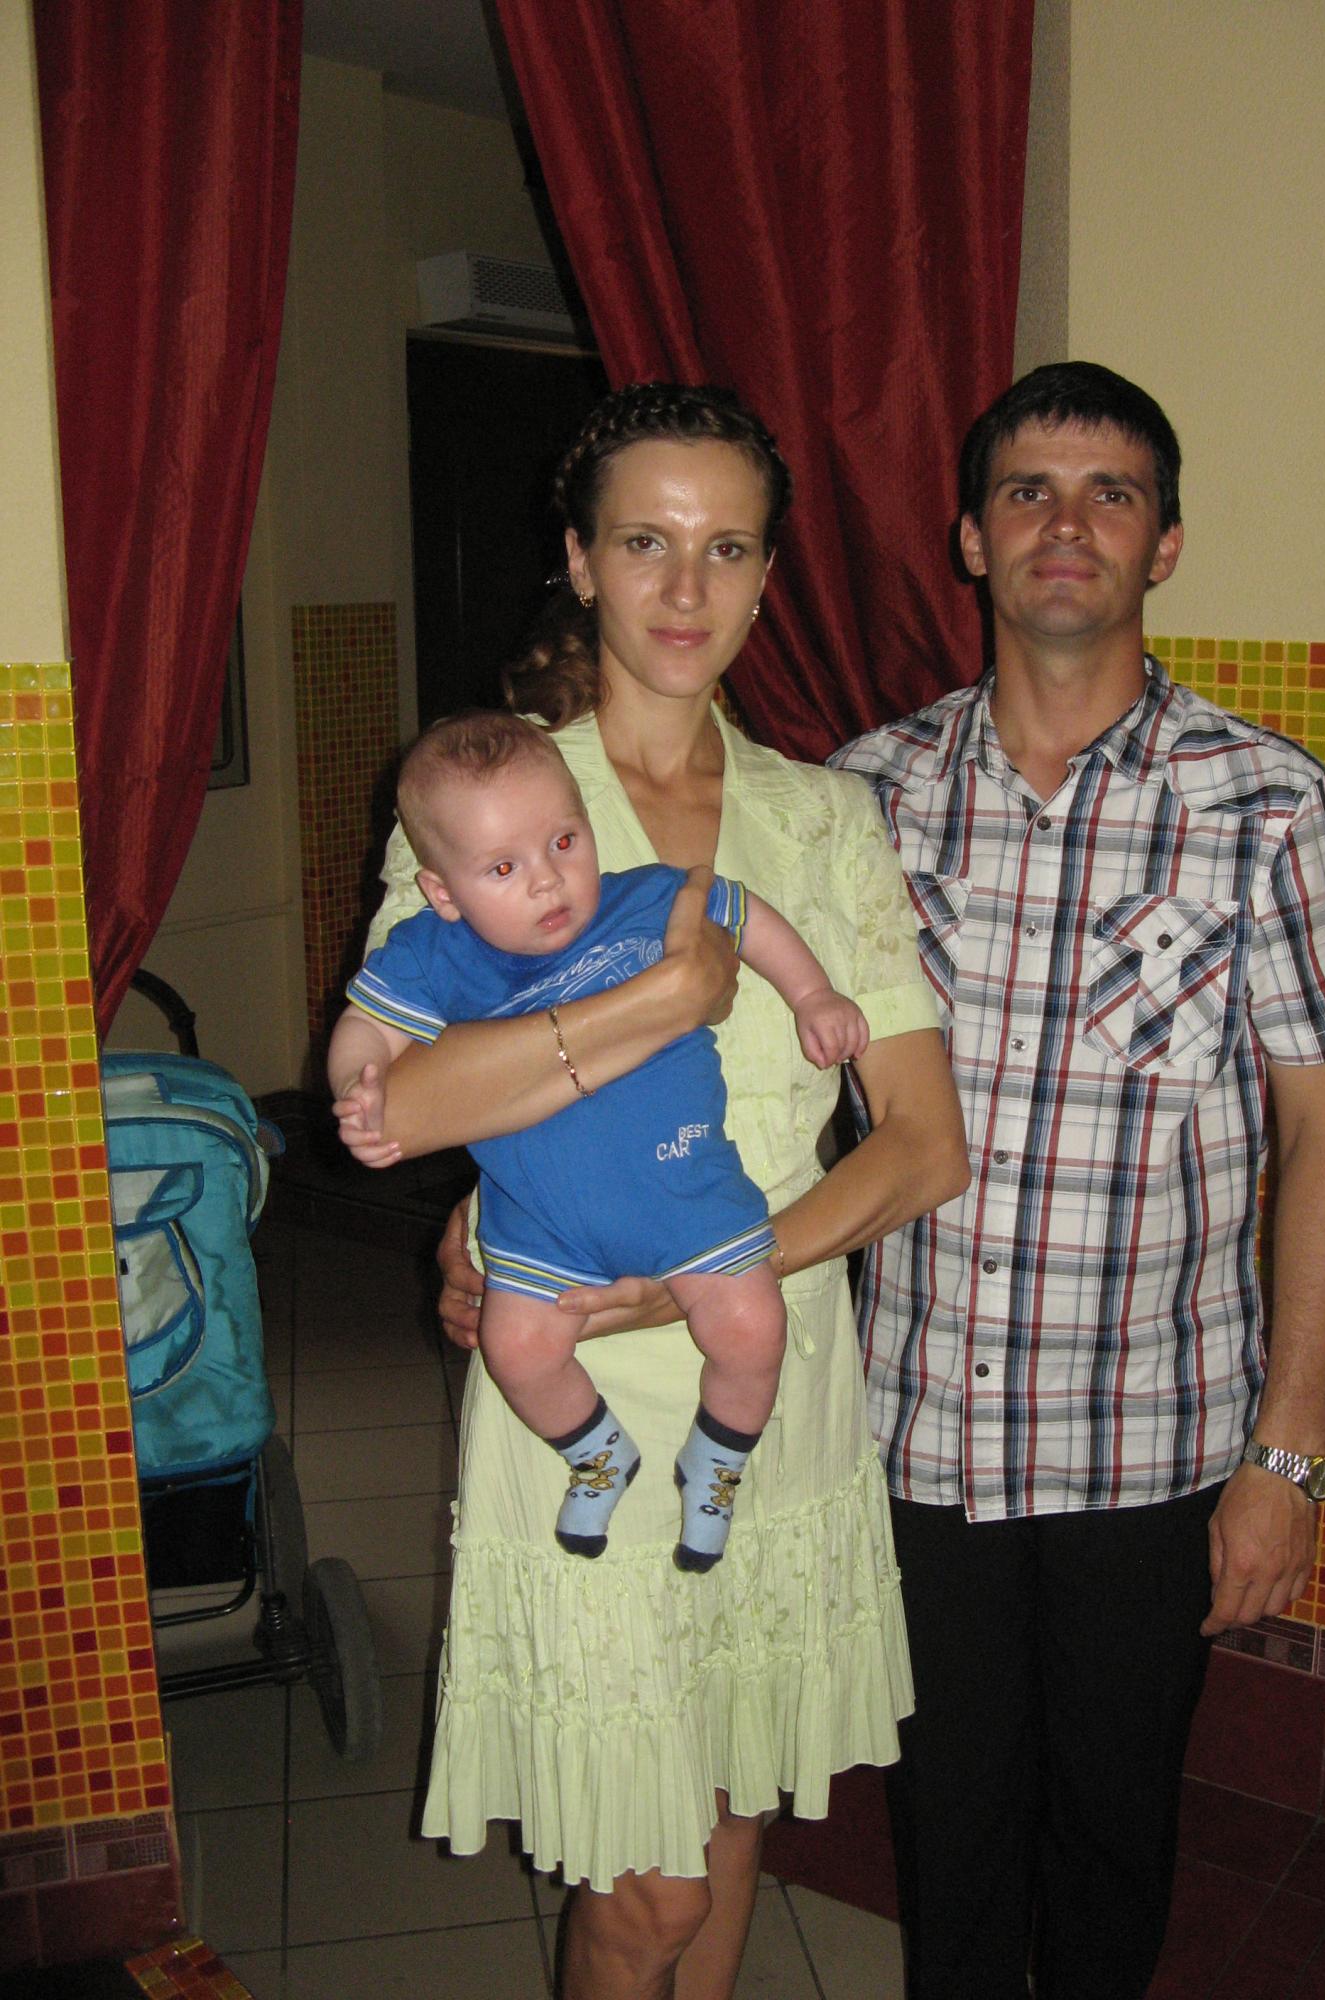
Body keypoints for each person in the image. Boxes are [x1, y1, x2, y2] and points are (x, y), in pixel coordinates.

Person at [349, 382, 970, 2000]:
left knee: (732, 1812)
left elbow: (921, 1141)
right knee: (648, 1893)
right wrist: (654, 1003)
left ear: (767, 578)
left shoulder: (824, 820)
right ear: (579, 560)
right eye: (645, 542)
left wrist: (716, 1262)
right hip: (579, 1388)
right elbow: (394, 1103)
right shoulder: (489, 798)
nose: (687, 589)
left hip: (771, 1367)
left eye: (727, 549)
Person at [829, 361, 1325, 2000]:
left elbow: (1323, 1138)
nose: (1066, 525)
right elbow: (752, 1101)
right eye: (1029, 492)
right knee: (947, 1836)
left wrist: (1289, 1457)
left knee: (1115, 1840)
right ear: (971, 539)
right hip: (913, 1435)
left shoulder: (1264, 803)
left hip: (1152, 1450)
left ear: (1166, 544)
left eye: (1110, 495)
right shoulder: (863, 797)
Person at [329, 709, 868, 1572]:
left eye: (564, 842)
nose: (548, 880)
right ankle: (597, 1453)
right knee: (515, 1348)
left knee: (752, 1327)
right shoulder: (432, 956)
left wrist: (812, 994)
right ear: (443, 893)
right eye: (503, 867)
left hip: (688, 1195)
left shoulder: (643, 899)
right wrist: (359, 1088)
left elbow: (746, 915)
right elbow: (367, 1027)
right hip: (541, 1225)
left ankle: (717, 1462)